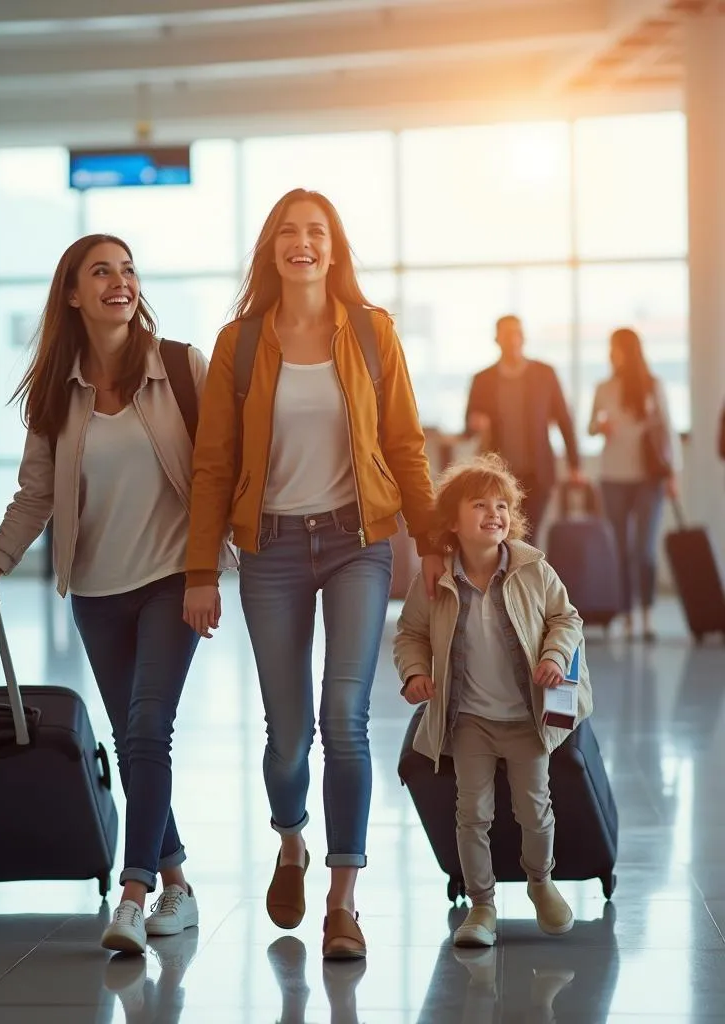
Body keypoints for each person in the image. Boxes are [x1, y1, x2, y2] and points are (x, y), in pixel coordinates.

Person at [183, 188, 443, 960]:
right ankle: (291, 841)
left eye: (317, 232)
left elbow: (405, 443)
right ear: (272, 248)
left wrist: (432, 543)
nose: (303, 243)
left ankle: (343, 902)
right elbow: (213, 465)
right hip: (268, 551)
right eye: (289, 232)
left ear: (335, 248)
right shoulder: (237, 345)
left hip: (357, 543)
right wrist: (203, 569)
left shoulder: (370, 333)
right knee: (288, 733)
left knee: (345, 718)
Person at [0, 233, 235, 956]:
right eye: (101, 272)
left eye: (127, 270)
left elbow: (221, 467)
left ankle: (133, 894)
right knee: (131, 741)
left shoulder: (183, 367)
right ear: (72, 293)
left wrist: (205, 571)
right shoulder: (55, 395)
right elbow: (36, 497)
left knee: (150, 726)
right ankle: (179, 885)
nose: (119, 282)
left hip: (172, 581)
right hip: (95, 587)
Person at [393, 453, 592, 948]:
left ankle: (540, 883)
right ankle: (481, 905)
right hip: (470, 720)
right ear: (452, 522)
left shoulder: (532, 567)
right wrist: (415, 671)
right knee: (472, 813)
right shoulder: (435, 581)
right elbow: (410, 635)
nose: (494, 514)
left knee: (534, 808)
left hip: (528, 716)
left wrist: (553, 654)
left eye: (502, 505)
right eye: (479, 505)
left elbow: (567, 619)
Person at [589, 328, 679, 641]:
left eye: (616, 348)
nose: (611, 354)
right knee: (621, 549)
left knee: (644, 550)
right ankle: (626, 614)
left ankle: (647, 613)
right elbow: (590, 426)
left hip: (649, 479)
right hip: (612, 476)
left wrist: (673, 475)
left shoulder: (653, 386)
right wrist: (600, 426)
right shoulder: (603, 387)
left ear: (629, 351)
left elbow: (668, 429)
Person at [465, 316, 582, 543]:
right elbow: (468, 426)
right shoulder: (483, 379)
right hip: (498, 477)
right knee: (501, 538)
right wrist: (475, 424)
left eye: (516, 333)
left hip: (537, 474)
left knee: (528, 537)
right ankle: (505, 579)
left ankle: (525, 579)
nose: (512, 339)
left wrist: (574, 465)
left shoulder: (544, 374)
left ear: (523, 337)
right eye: (506, 334)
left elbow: (564, 420)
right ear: (496, 339)